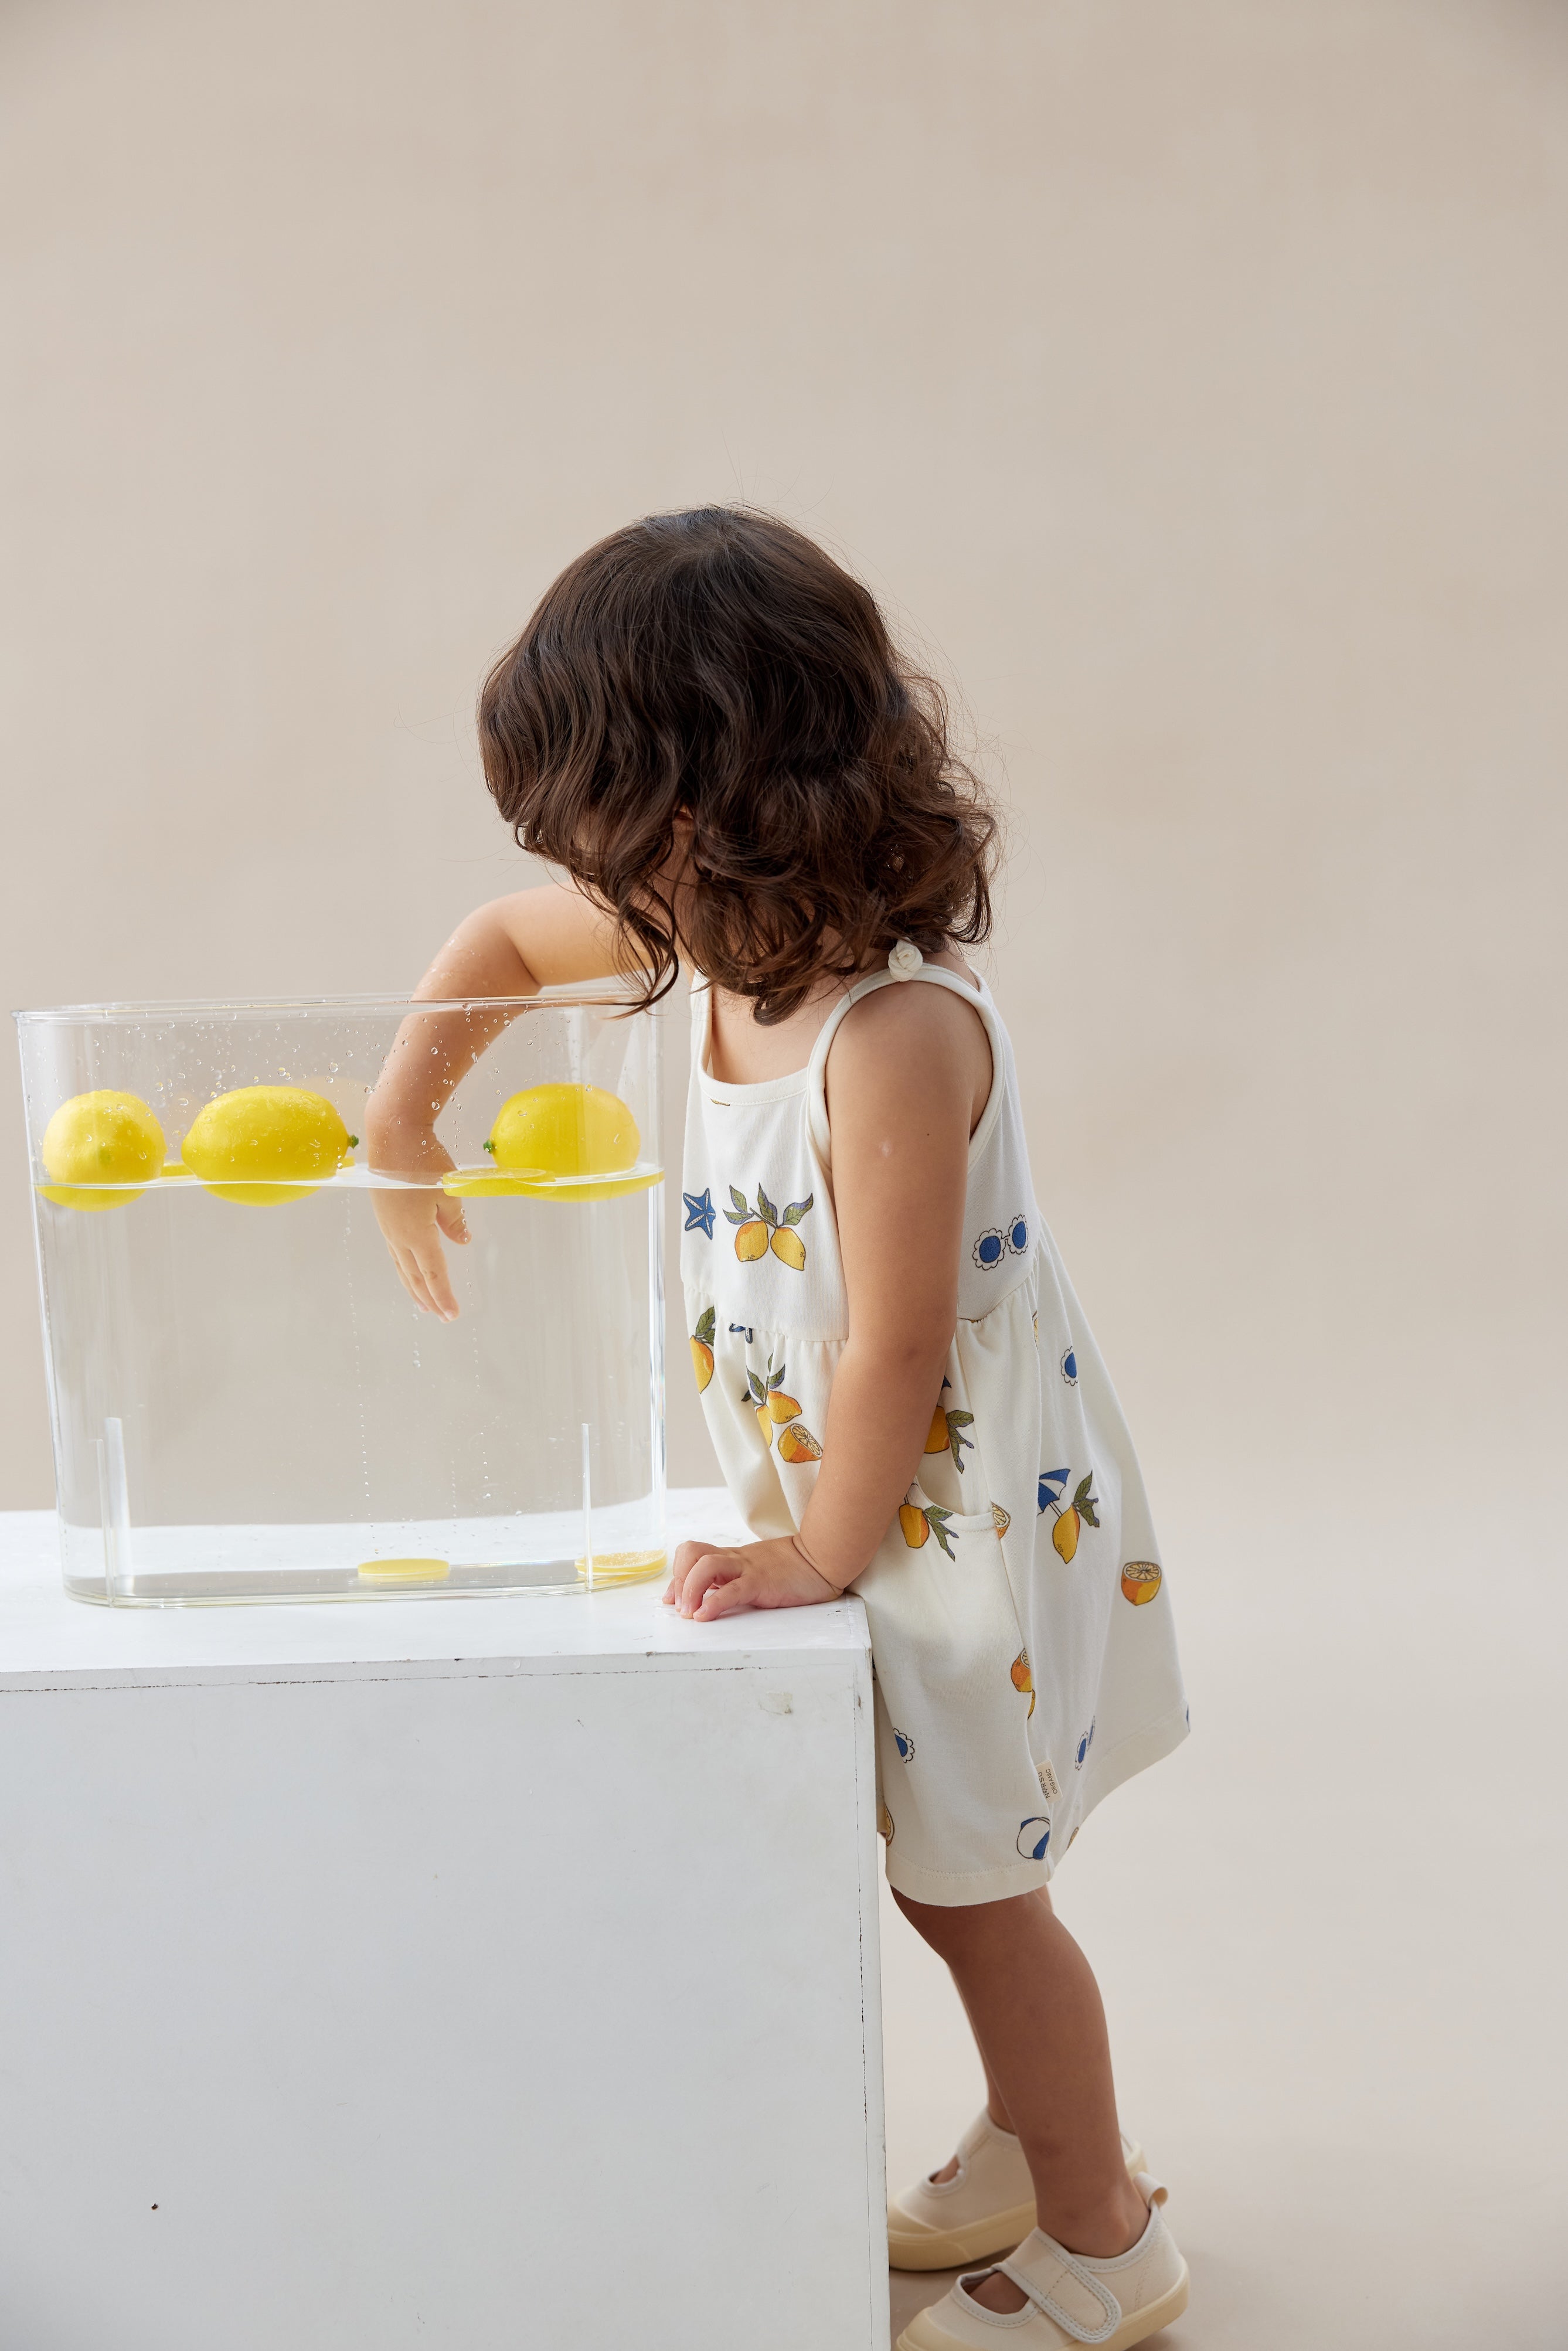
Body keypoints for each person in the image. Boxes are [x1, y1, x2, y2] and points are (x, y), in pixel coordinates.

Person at [365, 506, 1191, 2351]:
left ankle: (1102, 2230)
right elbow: (500, 933)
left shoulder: (887, 1029)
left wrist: (821, 1550)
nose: (586, 883)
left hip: (943, 1515)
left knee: (973, 1891)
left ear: (703, 807)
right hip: (858, 1499)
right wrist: (397, 1127)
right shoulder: (715, 946)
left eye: (602, 833)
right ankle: (1022, 2128)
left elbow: (899, 1342)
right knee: (944, 1868)